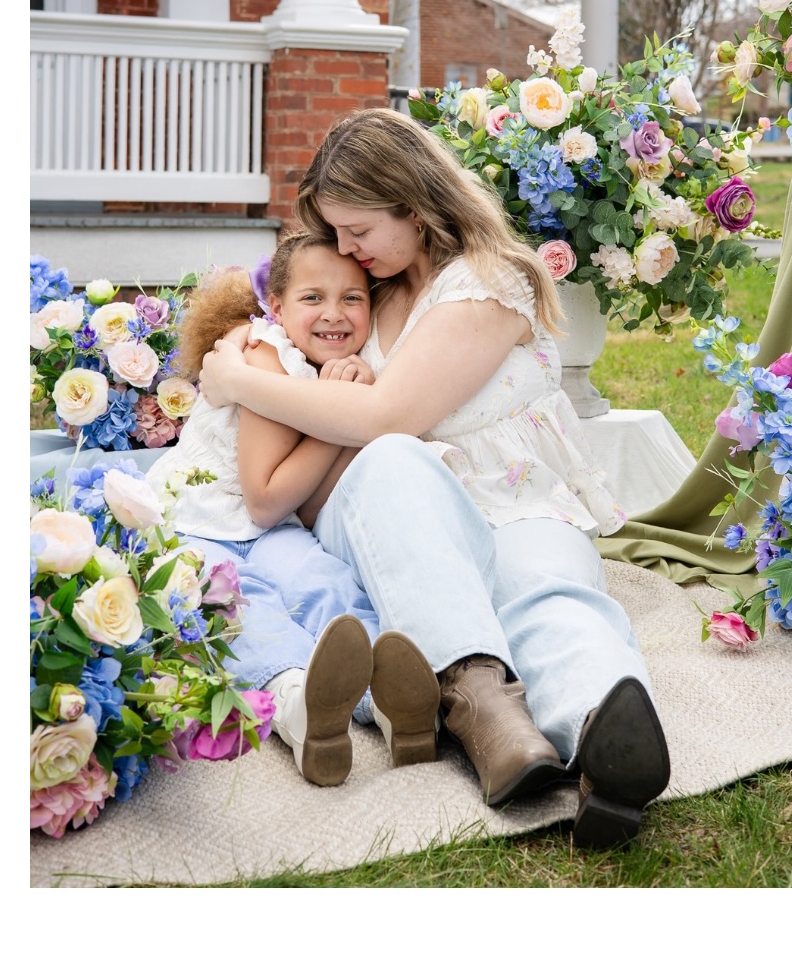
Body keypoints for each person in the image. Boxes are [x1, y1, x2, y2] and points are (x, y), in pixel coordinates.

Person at [198, 107, 671, 850]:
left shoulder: (487, 281)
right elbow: (336, 416)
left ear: (414, 206)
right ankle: (487, 714)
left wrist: (235, 380)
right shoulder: (362, 299)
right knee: (392, 459)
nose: (344, 249)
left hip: (516, 499)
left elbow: (391, 406)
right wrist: (238, 361)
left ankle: (605, 732)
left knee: (548, 590)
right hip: (399, 521)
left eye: (358, 230)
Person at [146, 232, 441, 787]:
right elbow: (264, 498)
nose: (334, 313)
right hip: (196, 525)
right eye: (313, 298)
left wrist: (353, 413)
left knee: (323, 580)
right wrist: (350, 414)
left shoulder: (337, 370)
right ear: (277, 306)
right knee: (241, 603)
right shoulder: (268, 355)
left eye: (352, 297)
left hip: (275, 530)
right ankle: (300, 709)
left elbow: (304, 509)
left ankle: (391, 696)